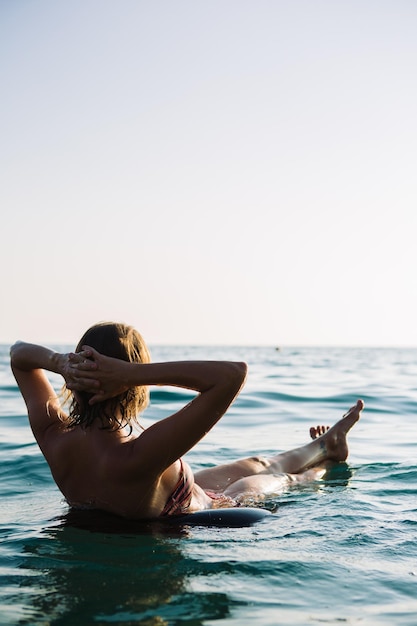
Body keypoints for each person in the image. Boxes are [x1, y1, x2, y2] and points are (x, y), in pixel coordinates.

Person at [10, 321, 363, 520]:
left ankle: (323, 443)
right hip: (206, 509)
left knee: (257, 462)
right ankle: (326, 463)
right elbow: (231, 376)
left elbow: (19, 355)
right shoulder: (138, 454)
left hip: (170, 497)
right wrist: (132, 373)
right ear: (127, 381)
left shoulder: (54, 433)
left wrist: (59, 362)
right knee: (281, 477)